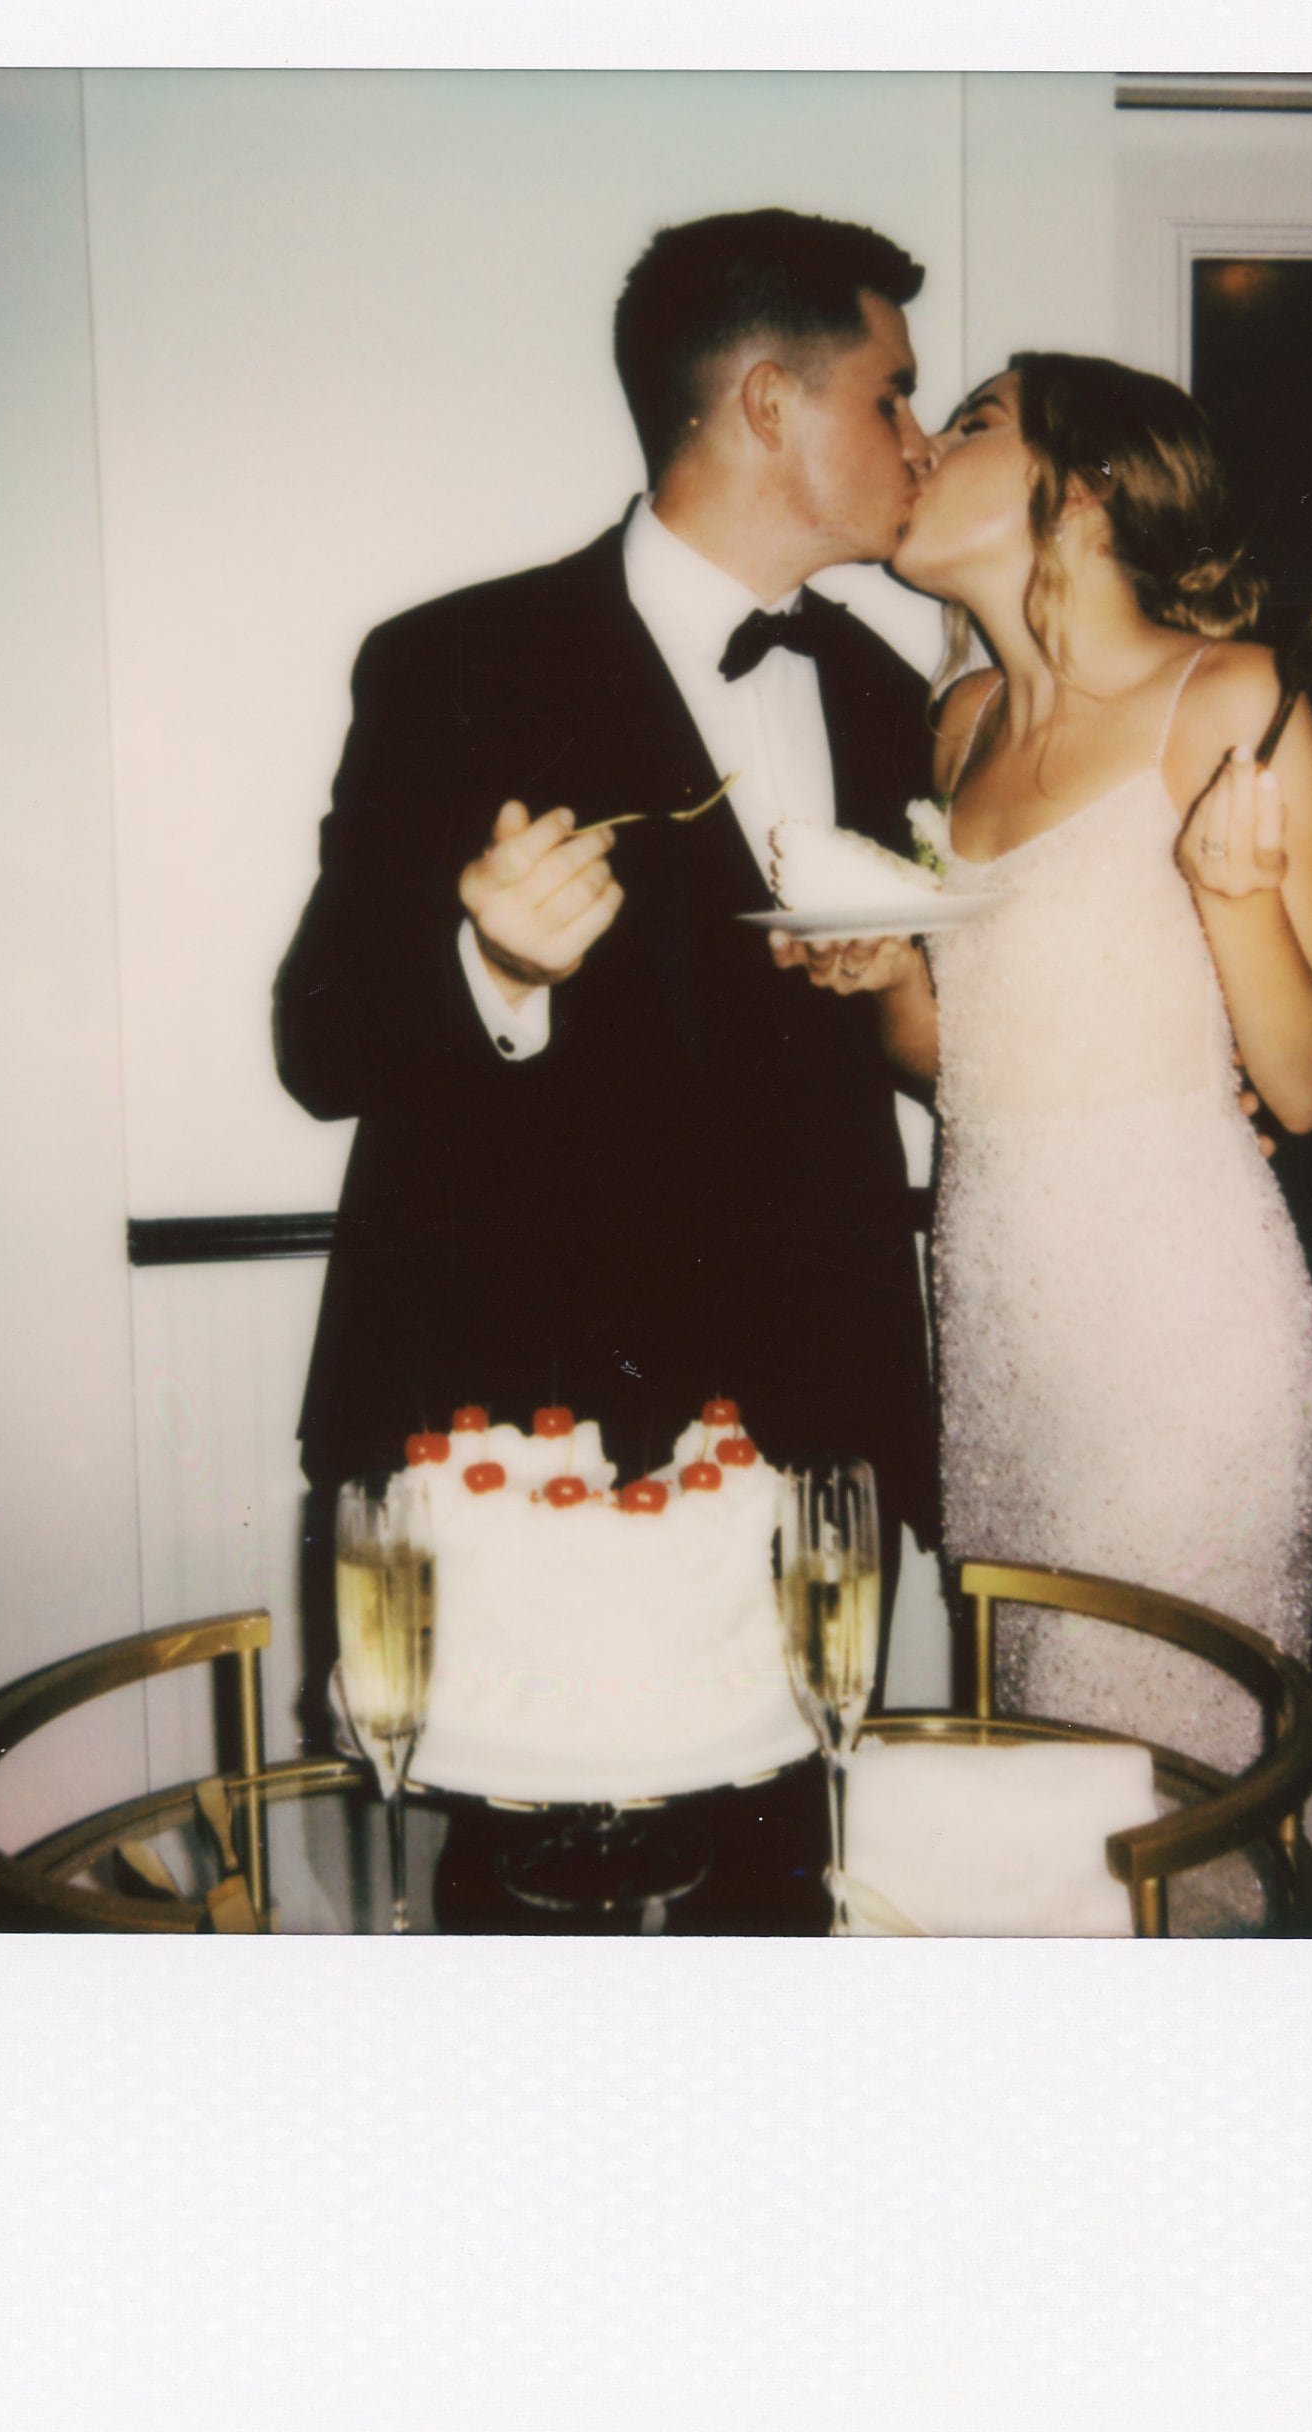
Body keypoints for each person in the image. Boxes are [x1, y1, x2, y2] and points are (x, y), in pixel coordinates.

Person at [274, 209, 942, 1922]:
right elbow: (322, 1039)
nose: (919, 438)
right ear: (771, 403)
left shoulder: (884, 694)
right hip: (538, 1438)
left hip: (806, 1435)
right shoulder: (456, 662)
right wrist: (492, 964)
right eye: (893, 394)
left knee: (789, 1915)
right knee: (529, 1949)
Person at [786, 354, 1312, 1774]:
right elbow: (951, 1061)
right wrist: (890, 971)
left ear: (1085, 488)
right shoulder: (959, 725)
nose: (926, 444)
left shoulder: (1231, 695)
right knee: (1046, 1788)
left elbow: (1306, 1082)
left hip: (1179, 1341)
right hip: (998, 1337)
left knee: (1156, 1796)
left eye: (973, 421)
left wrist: (1234, 898)